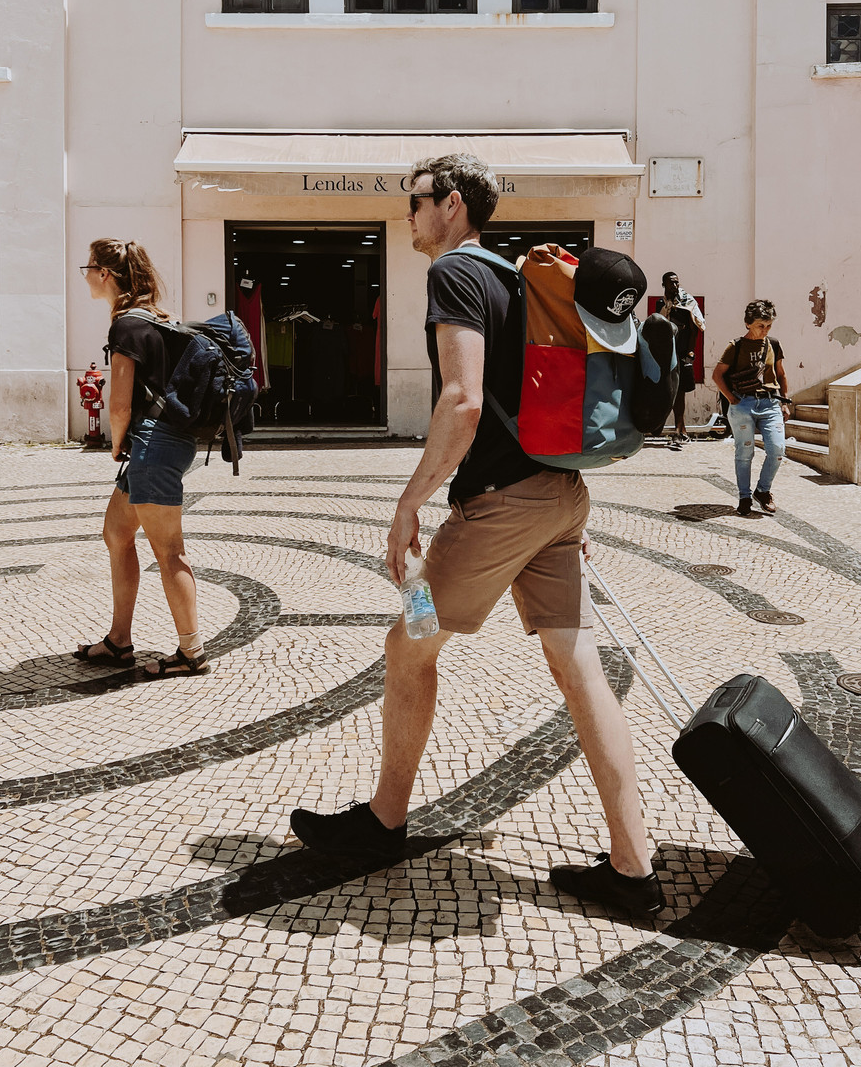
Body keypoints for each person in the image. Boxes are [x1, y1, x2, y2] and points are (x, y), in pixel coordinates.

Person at [289, 154, 664, 919]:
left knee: (410, 638)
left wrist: (408, 502)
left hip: (500, 508)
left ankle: (383, 823)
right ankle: (634, 865)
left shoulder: (457, 275)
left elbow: (461, 403)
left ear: (451, 204)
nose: (410, 216)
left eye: (417, 202)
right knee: (579, 665)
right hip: (561, 498)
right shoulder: (516, 276)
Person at [75, 238, 209, 679]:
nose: (87, 275)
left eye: (89, 268)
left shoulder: (126, 327)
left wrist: (116, 443)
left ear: (106, 274)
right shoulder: (155, 319)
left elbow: (119, 403)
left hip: (153, 446)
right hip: (163, 443)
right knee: (116, 533)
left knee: (170, 551)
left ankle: (191, 653)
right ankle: (119, 641)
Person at [711, 299, 792, 516]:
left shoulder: (773, 344)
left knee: (777, 450)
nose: (764, 330)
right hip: (743, 404)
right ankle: (744, 497)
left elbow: (781, 374)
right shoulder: (735, 346)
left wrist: (784, 401)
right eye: (760, 325)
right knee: (744, 452)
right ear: (748, 323)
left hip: (770, 402)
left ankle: (763, 491)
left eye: (768, 326)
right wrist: (732, 399)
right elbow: (717, 375)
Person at [656, 271, 704, 448]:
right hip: (666, 352)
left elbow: (695, 328)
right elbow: (657, 326)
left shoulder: (687, 302)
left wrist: (690, 352)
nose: (675, 286)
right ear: (664, 285)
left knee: (680, 390)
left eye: (676, 282)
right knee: (667, 390)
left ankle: (679, 429)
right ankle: (675, 429)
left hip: (682, 352)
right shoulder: (661, 303)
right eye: (671, 283)